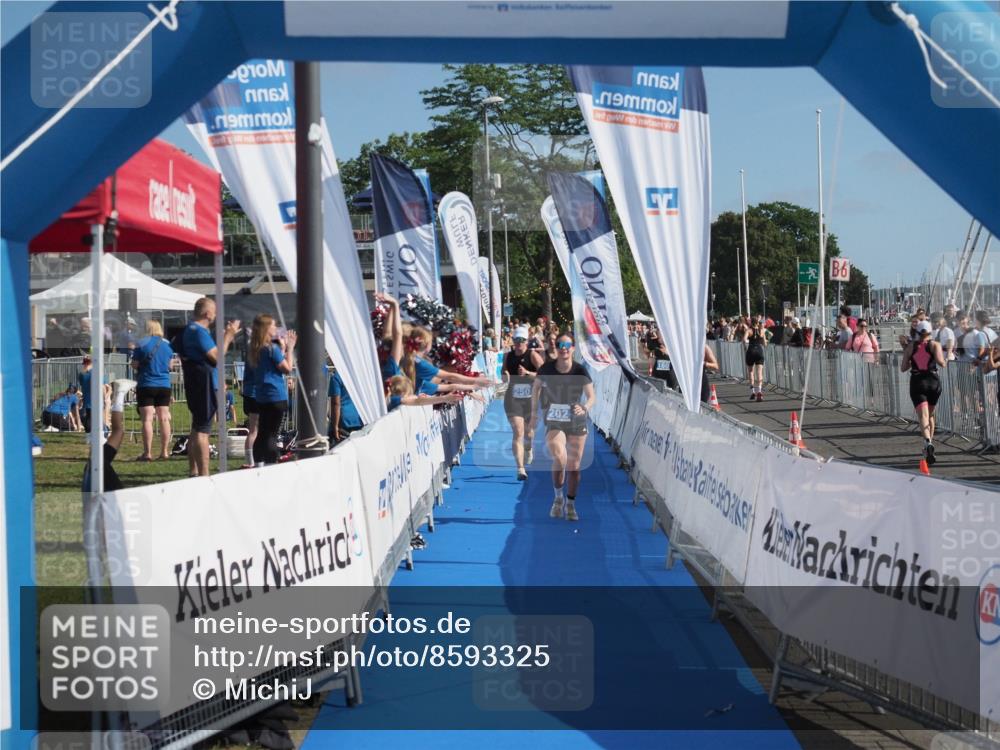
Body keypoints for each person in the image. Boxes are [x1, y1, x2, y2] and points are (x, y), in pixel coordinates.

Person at [529, 333, 595, 522]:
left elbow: (591, 396)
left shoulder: (580, 370)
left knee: (574, 467)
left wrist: (585, 407)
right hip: (555, 419)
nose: (563, 347)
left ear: (573, 348)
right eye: (560, 344)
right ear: (555, 348)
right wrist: (534, 413)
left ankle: (571, 503)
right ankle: (558, 499)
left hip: (576, 420)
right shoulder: (546, 369)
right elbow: (535, 389)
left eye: (567, 344)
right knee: (560, 456)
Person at [178, 297, 240, 477]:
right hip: (204, 385)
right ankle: (204, 475)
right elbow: (217, 357)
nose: (217, 314)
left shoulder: (190, 330)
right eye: (215, 311)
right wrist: (228, 336)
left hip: (197, 384)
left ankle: (194, 471)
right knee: (203, 430)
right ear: (207, 313)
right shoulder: (198, 332)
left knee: (197, 427)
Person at [248, 314, 296, 465]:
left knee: (262, 432)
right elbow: (287, 368)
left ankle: (258, 463)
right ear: (266, 328)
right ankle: (270, 464)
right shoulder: (271, 348)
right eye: (273, 326)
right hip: (276, 396)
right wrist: (290, 348)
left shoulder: (256, 348)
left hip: (262, 396)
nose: (276, 328)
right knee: (272, 435)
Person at [900, 320, 946, 466]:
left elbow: (903, 367)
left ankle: (927, 443)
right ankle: (929, 444)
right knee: (930, 415)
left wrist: (909, 355)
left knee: (923, 416)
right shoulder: (934, 345)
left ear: (918, 332)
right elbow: (942, 363)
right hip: (933, 382)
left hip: (918, 382)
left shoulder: (910, 347)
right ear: (930, 332)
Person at [503, 326, 544, 480]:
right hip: (512, 399)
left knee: (529, 433)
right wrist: (505, 375)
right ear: (513, 341)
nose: (519, 343)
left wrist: (528, 373)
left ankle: (528, 447)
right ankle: (520, 468)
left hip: (530, 400)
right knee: (518, 432)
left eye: (521, 340)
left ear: (527, 341)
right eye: (516, 340)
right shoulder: (508, 356)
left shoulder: (532, 355)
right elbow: (503, 372)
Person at [400, 327, 492, 396]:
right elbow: (450, 376)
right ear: (426, 343)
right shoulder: (421, 364)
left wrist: (472, 387)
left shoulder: (413, 360)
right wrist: (476, 381)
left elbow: (450, 384)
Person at [81, 379, 136, 494]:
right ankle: (120, 393)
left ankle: (120, 392)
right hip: (96, 467)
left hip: (95, 466)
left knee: (118, 432)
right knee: (118, 432)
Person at [132, 319, 174, 461]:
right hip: (164, 385)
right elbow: (170, 366)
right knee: (164, 418)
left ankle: (147, 453)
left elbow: (134, 364)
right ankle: (164, 452)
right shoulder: (168, 344)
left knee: (147, 419)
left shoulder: (141, 343)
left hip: (146, 384)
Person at [329, 366, 363, 444]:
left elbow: (336, 404)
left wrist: (335, 426)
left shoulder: (336, 377)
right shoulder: (360, 377)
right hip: (360, 418)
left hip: (344, 421)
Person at [77, 355, 109, 433]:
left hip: (88, 400)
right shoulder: (98, 373)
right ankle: (102, 433)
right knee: (98, 418)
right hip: (97, 400)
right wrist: (105, 398)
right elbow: (103, 387)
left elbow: (82, 384)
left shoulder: (82, 374)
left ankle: (90, 435)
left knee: (89, 417)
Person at [241, 354, 259, 469]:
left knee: (254, 430)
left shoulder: (251, 352)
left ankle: (252, 461)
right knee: (254, 431)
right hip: (255, 394)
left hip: (250, 394)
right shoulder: (258, 353)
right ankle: (251, 462)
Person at [744, 320, 767, 401]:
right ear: (757, 323)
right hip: (759, 351)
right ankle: (759, 390)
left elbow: (744, 340)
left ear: (751, 323)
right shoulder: (762, 330)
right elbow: (765, 344)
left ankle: (752, 391)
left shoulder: (748, 330)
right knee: (759, 372)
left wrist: (745, 347)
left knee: (750, 372)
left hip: (751, 350)